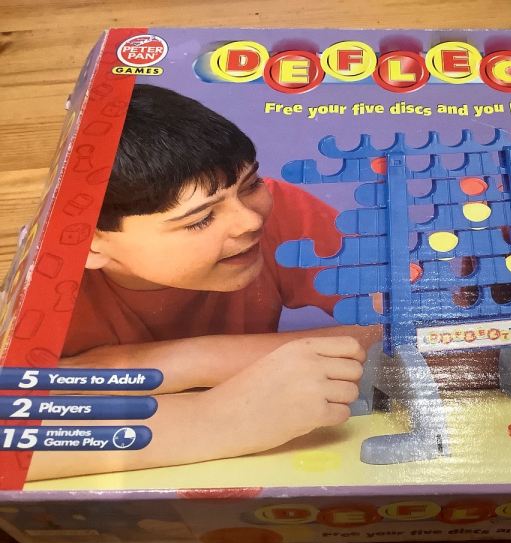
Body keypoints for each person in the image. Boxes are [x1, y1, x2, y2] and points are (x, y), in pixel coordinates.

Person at [28, 85, 378, 480]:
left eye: (251, 185)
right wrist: (215, 417)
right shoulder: (46, 288)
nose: (249, 221)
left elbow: (427, 327)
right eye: (200, 220)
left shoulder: (278, 212)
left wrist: (174, 362)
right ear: (87, 243)